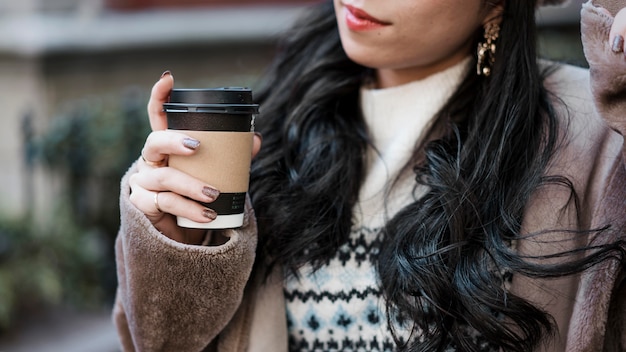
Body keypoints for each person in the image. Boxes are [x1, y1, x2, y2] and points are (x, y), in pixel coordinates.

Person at [113, 0, 626, 351]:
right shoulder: (275, 123)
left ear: (495, 4)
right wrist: (175, 242)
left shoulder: (593, 133)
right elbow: (162, 341)